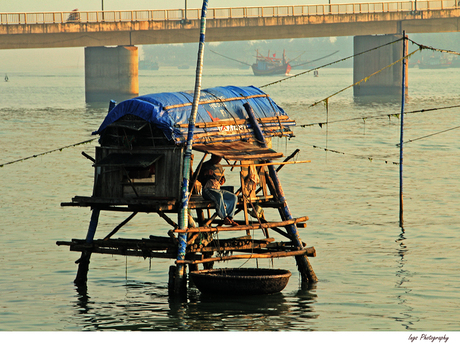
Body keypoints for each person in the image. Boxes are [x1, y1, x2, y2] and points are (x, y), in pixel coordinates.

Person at [198, 154, 238, 226]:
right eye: (217, 158)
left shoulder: (220, 167)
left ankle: (230, 218)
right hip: (207, 190)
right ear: (212, 156)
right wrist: (205, 173)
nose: (218, 160)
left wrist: (223, 180)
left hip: (218, 189)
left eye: (220, 158)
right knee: (218, 196)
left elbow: (223, 178)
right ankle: (224, 217)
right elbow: (196, 177)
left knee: (233, 197)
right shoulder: (205, 165)